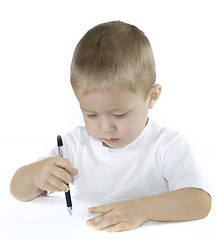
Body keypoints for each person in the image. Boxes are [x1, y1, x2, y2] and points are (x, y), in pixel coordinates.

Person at [10, 21, 211, 232]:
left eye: (119, 114)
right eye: (91, 114)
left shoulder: (166, 145)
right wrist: (35, 175)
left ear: (151, 97)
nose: (105, 128)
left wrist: (142, 209)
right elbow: (18, 191)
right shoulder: (74, 146)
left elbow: (200, 201)